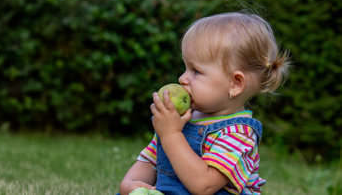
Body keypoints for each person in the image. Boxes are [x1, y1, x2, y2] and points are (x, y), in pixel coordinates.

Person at [119, 12, 290, 195]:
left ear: (235, 84)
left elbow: (204, 186)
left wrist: (170, 134)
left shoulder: (239, 133)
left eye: (196, 71)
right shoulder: (180, 120)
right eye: (186, 68)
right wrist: (130, 184)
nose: (182, 78)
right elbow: (151, 159)